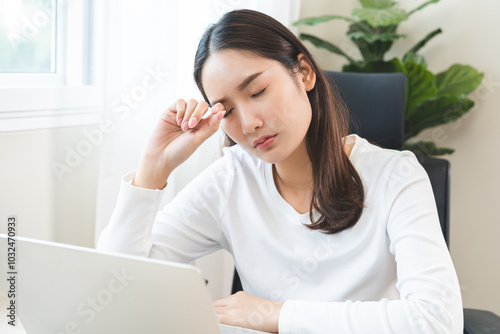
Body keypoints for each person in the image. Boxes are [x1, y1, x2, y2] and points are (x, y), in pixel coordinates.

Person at [97, 9, 463, 334]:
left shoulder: (395, 177)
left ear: (303, 73)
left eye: (257, 91)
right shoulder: (231, 180)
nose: (249, 123)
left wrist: (277, 315)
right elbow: (119, 285)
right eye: (226, 111)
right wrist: (151, 171)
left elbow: (437, 321)